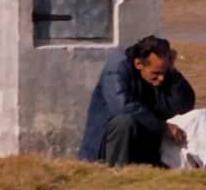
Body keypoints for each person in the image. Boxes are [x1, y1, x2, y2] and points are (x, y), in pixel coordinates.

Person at [79, 35, 195, 167]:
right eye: (156, 73)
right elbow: (122, 107)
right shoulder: (117, 68)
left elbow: (184, 106)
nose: (161, 78)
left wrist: (172, 72)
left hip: (143, 142)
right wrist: (163, 128)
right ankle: (116, 172)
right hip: (105, 148)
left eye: (164, 72)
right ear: (138, 64)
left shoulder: (159, 69)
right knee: (124, 121)